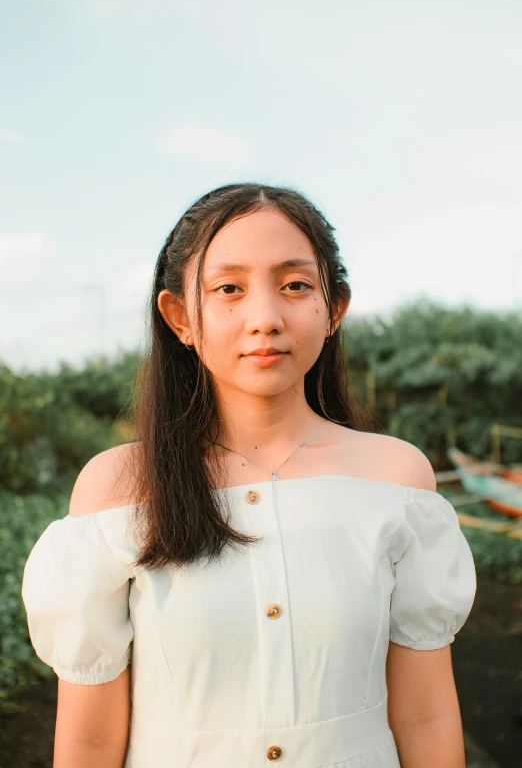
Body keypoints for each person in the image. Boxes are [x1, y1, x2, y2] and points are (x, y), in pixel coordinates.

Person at [21, 182, 477, 768]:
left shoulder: (397, 479)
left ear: (333, 308)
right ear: (181, 316)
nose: (265, 318)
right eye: (229, 289)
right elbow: (89, 740)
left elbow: (425, 715)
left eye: (294, 286)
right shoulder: (116, 489)